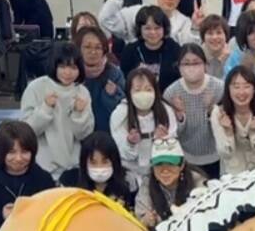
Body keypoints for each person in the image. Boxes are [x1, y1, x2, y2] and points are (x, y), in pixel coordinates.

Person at [20, 42, 94, 182]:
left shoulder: (82, 92)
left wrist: (79, 114)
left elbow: (85, 134)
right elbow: (26, 131)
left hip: (73, 165)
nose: (67, 72)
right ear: (54, 65)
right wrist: (46, 108)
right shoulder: (36, 87)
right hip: (42, 165)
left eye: (73, 67)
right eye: (62, 66)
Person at [110, 66, 177, 197]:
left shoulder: (166, 110)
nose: (143, 94)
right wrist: (130, 143)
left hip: (159, 172)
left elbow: (173, 145)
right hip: (130, 174)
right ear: (129, 92)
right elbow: (121, 151)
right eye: (137, 90)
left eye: (148, 89)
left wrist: (162, 142)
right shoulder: (120, 114)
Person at [163, 44, 224, 179]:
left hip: (217, 155)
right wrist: (180, 116)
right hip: (186, 157)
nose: (191, 67)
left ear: (205, 65)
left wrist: (211, 110)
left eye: (196, 63)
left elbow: (225, 128)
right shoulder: (171, 93)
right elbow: (171, 134)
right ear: (179, 67)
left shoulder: (219, 88)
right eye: (186, 63)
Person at [210, 65, 255, 176]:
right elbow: (225, 153)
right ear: (228, 89)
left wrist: (254, 132)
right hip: (235, 170)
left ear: (254, 89)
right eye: (236, 87)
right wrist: (228, 132)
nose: (241, 92)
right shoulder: (218, 113)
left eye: (247, 86)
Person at [99, 0, 199, 46]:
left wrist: (195, 28)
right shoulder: (135, 13)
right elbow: (106, 20)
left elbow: (190, 49)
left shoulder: (184, 22)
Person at [134, 137, 205, 227]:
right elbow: (139, 218)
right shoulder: (147, 185)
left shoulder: (197, 181)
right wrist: (146, 220)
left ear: (182, 165)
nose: (165, 170)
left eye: (170, 164)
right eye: (159, 164)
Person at [75, 25, 125, 133]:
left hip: (108, 134)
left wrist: (112, 95)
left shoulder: (114, 73)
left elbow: (123, 110)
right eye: (87, 47)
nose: (93, 52)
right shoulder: (71, 73)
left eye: (98, 47)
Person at [119, 5, 181, 92]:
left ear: (164, 28)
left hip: (169, 97)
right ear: (140, 29)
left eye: (157, 28)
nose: (153, 32)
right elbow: (125, 82)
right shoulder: (130, 51)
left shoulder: (174, 48)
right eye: (147, 28)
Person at [76, 131, 132, 205]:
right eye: (93, 163)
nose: (99, 168)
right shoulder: (76, 190)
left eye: (105, 162)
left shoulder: (127, 185)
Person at [199, 14, 231, 79]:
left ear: (226, 35)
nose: (214, 37)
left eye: (219, 32)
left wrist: (223, 61)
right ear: (203, 37)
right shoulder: (198, 56)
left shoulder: (232, 56)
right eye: (210, 33)